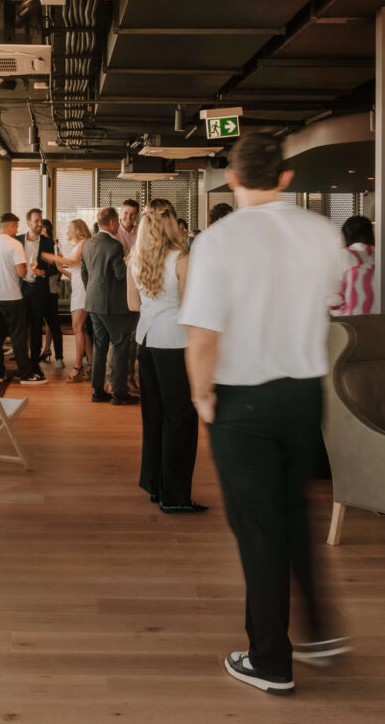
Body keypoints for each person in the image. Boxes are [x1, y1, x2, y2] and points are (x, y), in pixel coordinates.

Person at [180, 132, 346, 695]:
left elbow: (203, 334)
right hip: (303, 392)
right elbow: (329, 303)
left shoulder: (218, 241)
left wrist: (202, 397)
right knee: (292, 509)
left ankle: (270, 659)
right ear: (284, 178)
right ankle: (319, 632)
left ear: (231, 179)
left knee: (258, 528)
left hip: (242, 399)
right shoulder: (324, 233)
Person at [128, 202, 202, 513]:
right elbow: (191, 307)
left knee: (154, 416)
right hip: (175, 342)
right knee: (181, 419)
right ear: (173, 224)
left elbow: (134, 305)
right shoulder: (182, 259)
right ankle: (175, 495)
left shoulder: (135, 259)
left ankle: (155, 485)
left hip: (146, 340)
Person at [0, 213, 42, 385]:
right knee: (18, 336)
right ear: (12, 225)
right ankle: (26, 374)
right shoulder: (15, 244)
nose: (17, 230)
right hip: (12, 295)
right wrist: (25, 269)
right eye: (16, 226)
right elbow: (21, 271)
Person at [82, 207, 138, 406]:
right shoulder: (114, 245)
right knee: (121, 344)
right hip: (112, 304)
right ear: (113, 223)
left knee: (100, 345)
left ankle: (98, 390)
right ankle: (119, 392)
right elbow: (120, 275)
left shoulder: (88, 243)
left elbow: (84, 274)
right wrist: (129, 263)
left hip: (93, 302)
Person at [45, 219, 93, 380]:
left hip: (83, 291)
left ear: (77, 229)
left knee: (77, 328)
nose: (66, 232)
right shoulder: (77, 245)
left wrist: (54, 258)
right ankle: (92, 364)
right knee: (81, 329)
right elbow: (74, 273)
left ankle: (77, 366)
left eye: (69, 228)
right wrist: (59, 267)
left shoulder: (84, 243)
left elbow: (73, 262)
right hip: (78, 288)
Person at [22, 209, 62, 371]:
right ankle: (23, 361)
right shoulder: (18, 241)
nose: (40, 224)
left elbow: (54, 269)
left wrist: (43, 272)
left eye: (41, 221)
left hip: (40, 289)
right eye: (37, 221)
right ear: (28, 223)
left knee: (37, 327)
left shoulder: (48, 243)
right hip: (22, 289)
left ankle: (34, 364)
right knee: (22, 327)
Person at [329, 215, 376, 317]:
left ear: (346, 235)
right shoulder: (380, 256)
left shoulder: (341, 256)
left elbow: (332, 298)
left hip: (351, 322)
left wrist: (340, 315)